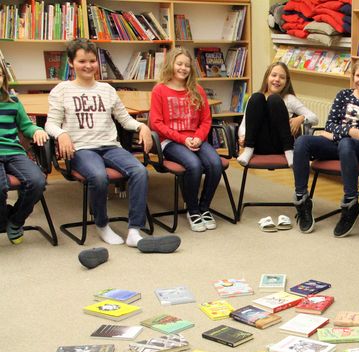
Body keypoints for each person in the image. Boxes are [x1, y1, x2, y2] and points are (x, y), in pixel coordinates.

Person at [45, 38, 152, 247]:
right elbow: (50, 124)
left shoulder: (107, 89)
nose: (88, 66)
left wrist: (142, 127)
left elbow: (125, 119)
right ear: (71, 63)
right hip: (81, 150)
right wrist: (61, 134)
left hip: (110, 146)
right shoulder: (61, 90)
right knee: (98, 176)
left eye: (92, 61)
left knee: (140, 171)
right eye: (82, 61)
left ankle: (134, 230)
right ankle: (102, 224)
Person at [291, 58, 359, 237]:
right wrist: (350, 131)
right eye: (358, 75)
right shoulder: (343, 95)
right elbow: (330, 124)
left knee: (346, 143)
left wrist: (336, 134)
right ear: (353, 76)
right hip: (336, 145)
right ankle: (302, 200)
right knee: (302, 142)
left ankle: (351, 203)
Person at [150, 47, 223, 232]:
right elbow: (156, 123)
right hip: (171, 141)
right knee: (194, 165)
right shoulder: (159, 90)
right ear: (171, 64)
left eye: (187, 65)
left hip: (196, 139)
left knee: (215, 164)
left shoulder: (197, 90)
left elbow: (206, 120)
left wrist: (198, 137)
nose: (183, 68)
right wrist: (183, 139)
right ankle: (192, 210)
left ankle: (204, 208)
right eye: (179, 64)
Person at [236, 61, 319, 168]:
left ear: (286, 82)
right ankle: (248, 149)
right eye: (274, 75)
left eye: (282, 77)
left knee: (274, 99)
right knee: (257, 97)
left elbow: (314, 118)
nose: (277, 80)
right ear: (267, 77)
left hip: (280, 145)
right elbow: (244, 124)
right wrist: (243, 136)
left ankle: (289, 152)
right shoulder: (254, 99)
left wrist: (301, 118)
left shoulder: (289, 99)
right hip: (257, 145)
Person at [0, 62, 48, 245]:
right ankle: (2, 221)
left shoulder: (13, 101)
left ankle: (15, 220)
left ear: (4, 78)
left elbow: (26, 125)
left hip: (14, 152)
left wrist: (37, 130)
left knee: (38, 181)